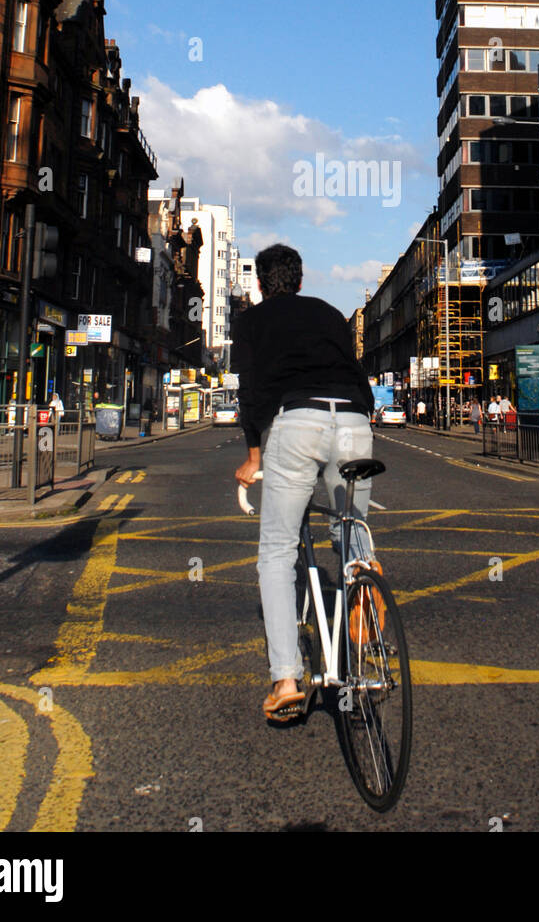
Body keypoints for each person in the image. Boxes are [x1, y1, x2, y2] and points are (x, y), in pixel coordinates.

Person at [233, 244, 376, 722]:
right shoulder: (331, 313)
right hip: (354, 420)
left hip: (296, 422)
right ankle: (362, 583)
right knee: (349, 524)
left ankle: (287, 678)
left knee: (276, 551)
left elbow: (252, 393)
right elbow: (359, 377)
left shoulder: (252, 322)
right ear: (299, 279)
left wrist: (254, 457)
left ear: (260, 283)